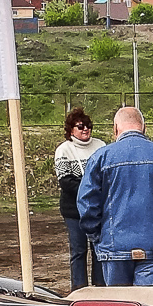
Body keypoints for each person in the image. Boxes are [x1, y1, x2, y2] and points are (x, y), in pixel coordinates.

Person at [77, 107, 153, 286]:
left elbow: (86, 203)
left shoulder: (100, 157)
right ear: (144, 127)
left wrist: (97, 236)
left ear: (115, 128)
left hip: (113, 245)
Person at [53, 108, 106, 290]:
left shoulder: (101, 146)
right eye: (81, 126)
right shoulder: (63, 150)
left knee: (99, 250)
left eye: (89, 126)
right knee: (78, 251)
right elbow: (66, 182)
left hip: (99, 209)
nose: (86, 130)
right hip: (74, 211)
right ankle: (79, 289)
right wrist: (92, 190)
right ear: (71, 130)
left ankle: (100, 287)